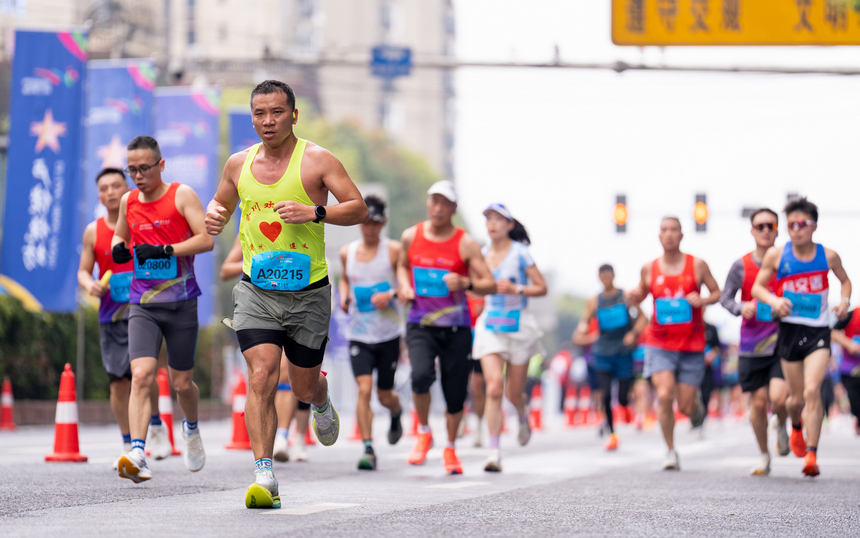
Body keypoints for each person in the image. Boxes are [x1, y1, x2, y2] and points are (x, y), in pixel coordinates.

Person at [205, 80, 367, 509]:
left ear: (293, 115)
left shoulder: (317, 160)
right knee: (261, 375)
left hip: (308, 292)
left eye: (277, 112)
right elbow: (220, 206)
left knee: (301, 386)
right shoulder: (238, 164)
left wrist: (315, 211)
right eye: (260, 113)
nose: (268, 121)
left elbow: (359, 208)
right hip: (256, 290)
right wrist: (212, 217)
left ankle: (320, 398)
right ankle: (265, 474)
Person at [111, 136, 214, 482]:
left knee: (182, 384)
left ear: (161, 165)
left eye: (144, 168)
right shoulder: (128, 201)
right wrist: (119, 248)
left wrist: (166, 250)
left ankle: (192, 428)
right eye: (132, 170)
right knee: (140, 374)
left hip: (181, 302)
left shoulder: (181, 195)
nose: (138, 176)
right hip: (143, 303)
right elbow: (120, 236)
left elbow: (206, 239)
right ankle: (137, 452)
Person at [397, 180, 496, 474]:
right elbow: (402, 265)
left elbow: (489, 283)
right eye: (434, 201)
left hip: (456, 328)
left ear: (454, 208)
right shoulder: (410, 236)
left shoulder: (466, 243)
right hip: (420, 323)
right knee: (420, 376)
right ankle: (424, 431)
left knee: (455, 393)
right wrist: (404, 287)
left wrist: (466, 282)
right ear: (428, 203)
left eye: (445, 203)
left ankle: (450, 448)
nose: (438, 208)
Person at [752, 197, 851, 477]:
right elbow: (758, 288)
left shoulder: (828, 256)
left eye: (802, 224)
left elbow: (845, 280)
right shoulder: (777, 256)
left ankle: (811, 454)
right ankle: (796, 426)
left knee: (811, 391)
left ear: (814, 226)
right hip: (789, 330)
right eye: (791, 225)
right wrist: (774, 300)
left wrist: (844, 301)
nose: (796, 229)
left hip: (818, 330)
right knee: (794, 400)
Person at [77, 168, 168, 469]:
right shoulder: (93, 231)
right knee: (118, 382)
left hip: (146, 309)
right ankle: (129, 442)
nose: (110, 192)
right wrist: (90, 284)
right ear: (99, 195)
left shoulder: (142, 222)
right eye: (104, 188)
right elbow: (83, 271)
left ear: (127, 189)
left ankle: (156, 424)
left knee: (143, 373)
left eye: (116, 185)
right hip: (111, 314)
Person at [628, 217, 720, 471]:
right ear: (659, 236)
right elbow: (641, 294)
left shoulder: (697, 265)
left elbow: (717, 293)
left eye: (674, 230)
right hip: (659, 343)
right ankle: (670, 451)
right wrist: (634, 296)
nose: (669, 234)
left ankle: (696, 407)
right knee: (665, 394)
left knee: (686, 408)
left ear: (681, 235)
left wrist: (703, 299)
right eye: (664, 230)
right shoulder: (649, 268)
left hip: (691, 345)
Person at [220, 234, 311, 462]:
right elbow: (225, 271)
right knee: (266, 375)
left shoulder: (301, 223)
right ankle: (279, 440)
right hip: (259, 309)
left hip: (297, 307)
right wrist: (260, 263)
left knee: (303, 382)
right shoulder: (250, 230)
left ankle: (299, 436)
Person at [472, 203, 547, 472]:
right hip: (491, 324)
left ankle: (522, 414)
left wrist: (517, 289)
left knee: (513, 393)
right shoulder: (480, 255)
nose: (492, 223)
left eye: (498, 219)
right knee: (493, 387)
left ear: (509, 225)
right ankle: (494, 452)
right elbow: (474, 286)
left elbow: (542, 287)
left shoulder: (520, 253)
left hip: (518, 325)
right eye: (488, 219)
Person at [719, 207, 790, 475]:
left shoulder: (789, 261)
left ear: (777, 230)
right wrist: (741, 307)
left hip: (783, 341)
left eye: (770, 226)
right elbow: (725, 298)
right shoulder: (740, 266)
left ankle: (781, 423)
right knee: (758, 403)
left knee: (779, 399)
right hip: (752, 344)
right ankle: (764, 455)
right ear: (752, 231)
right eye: (760, 226)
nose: (765, 230)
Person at [338, 195, 404, 471]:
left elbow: (406, 285)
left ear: (383, 223)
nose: (370, 228)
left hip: (388, 334)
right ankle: (368, 447)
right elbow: (344, 279)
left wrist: (390, 294)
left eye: (376, 223)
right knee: (364, 389)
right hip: (359, 334)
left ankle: (396, 411)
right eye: (366, 222)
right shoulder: (347, 252)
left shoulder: (394, 251)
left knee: (384, 395)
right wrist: (343, 296)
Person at [573, 264, 646, 451]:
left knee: (622, 398)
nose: (606, 279)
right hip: (602, 352)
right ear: (599, 278)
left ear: (613, 276)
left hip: (623, 352)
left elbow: (643, 317)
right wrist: (582, 331)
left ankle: (627, 406)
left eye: (608, 275)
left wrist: (633, 334)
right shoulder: (593, 301)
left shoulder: (625, 296)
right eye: (602, 276)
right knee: (604, 394)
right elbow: (584, 322)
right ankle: (612, 434)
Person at [832, 310, 860, 435]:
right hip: (849, 370)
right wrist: (849, 344)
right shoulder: (853, 315)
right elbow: (832, 332)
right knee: (855, 404)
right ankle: (857, 416)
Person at [466, 291, 486, 447]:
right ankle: (461, 417)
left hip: (481, 344)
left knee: (477, 388)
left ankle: (478, 426)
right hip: (463, 341)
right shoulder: (460, 292)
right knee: (459, 385)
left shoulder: (487, 293)